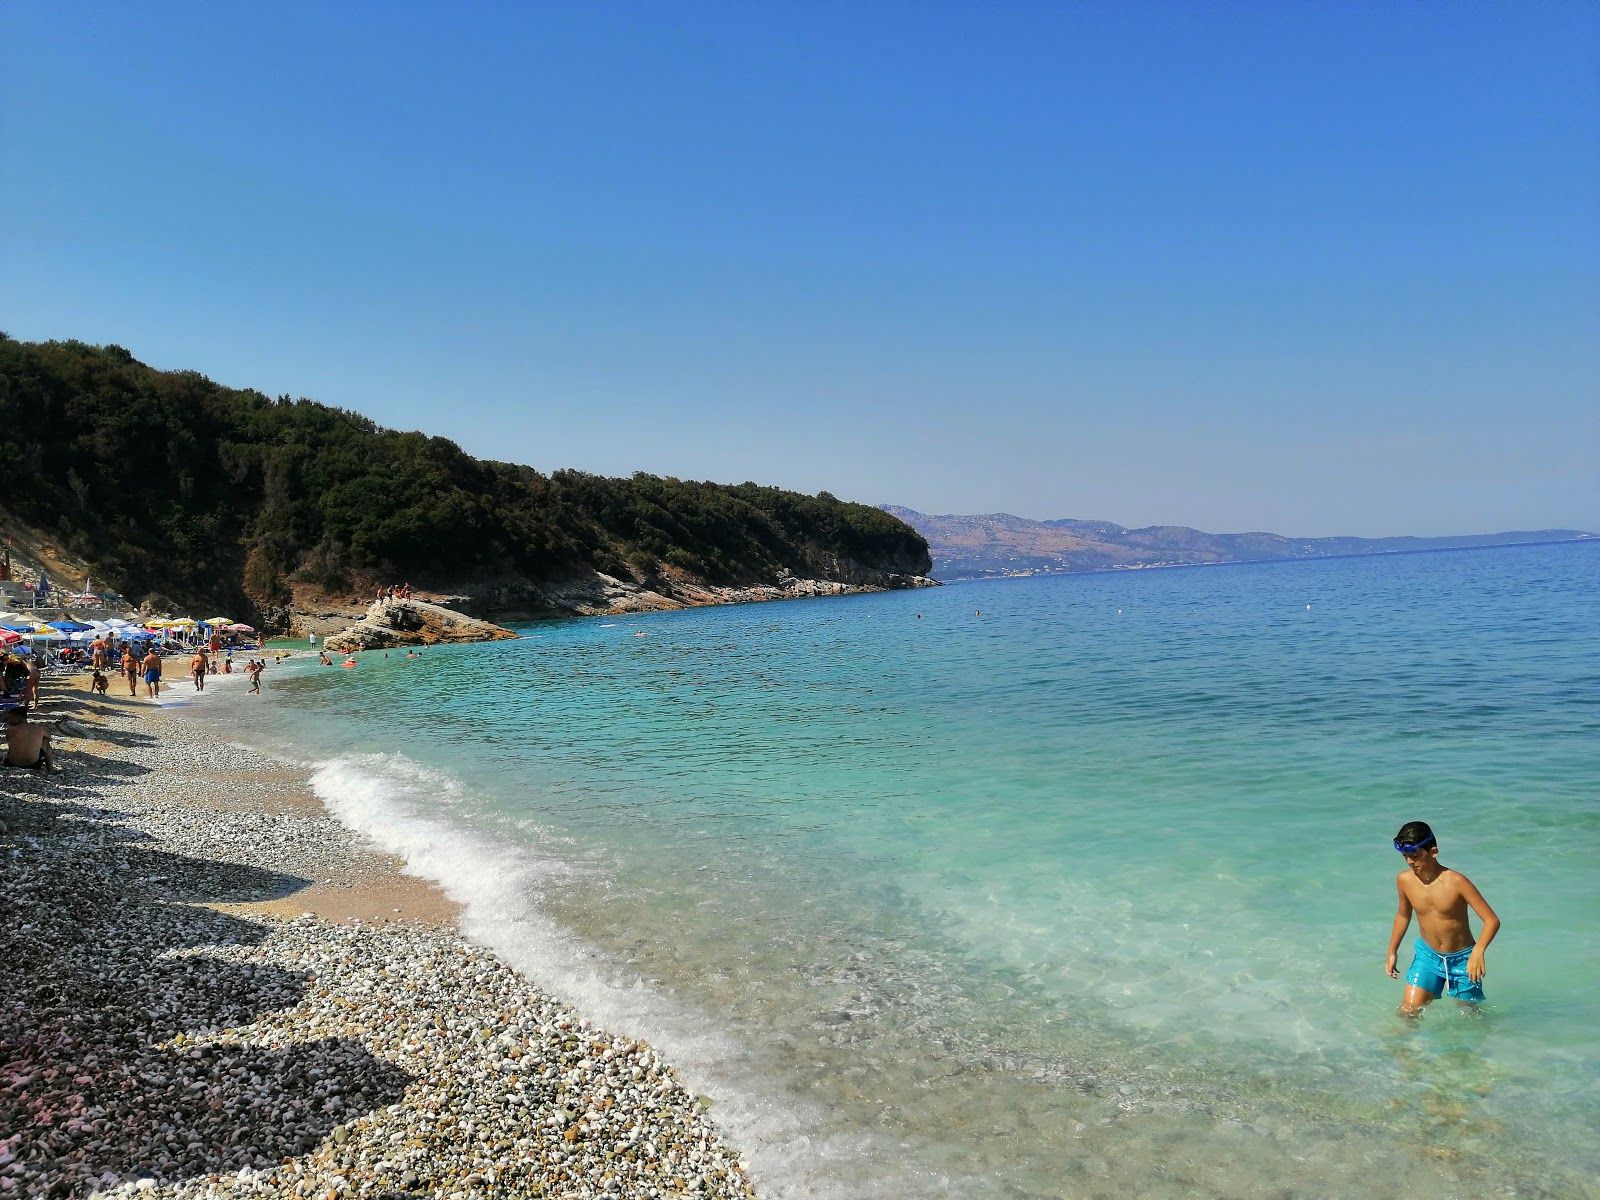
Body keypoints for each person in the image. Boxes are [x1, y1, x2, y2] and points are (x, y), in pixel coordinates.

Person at [1386, 821, 1501, 1015]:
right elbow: (1403, 915)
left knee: (1470, 1018)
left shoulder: (1457, 882)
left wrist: (1478, 951)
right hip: (1427, 956)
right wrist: (1392, 952)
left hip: (1463, 960)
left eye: (1415, 855)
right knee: (1407, 1012)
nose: (1410, 862)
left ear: (1433, 852)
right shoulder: (1404, 880)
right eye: (1405, 856)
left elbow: (1492, 920)